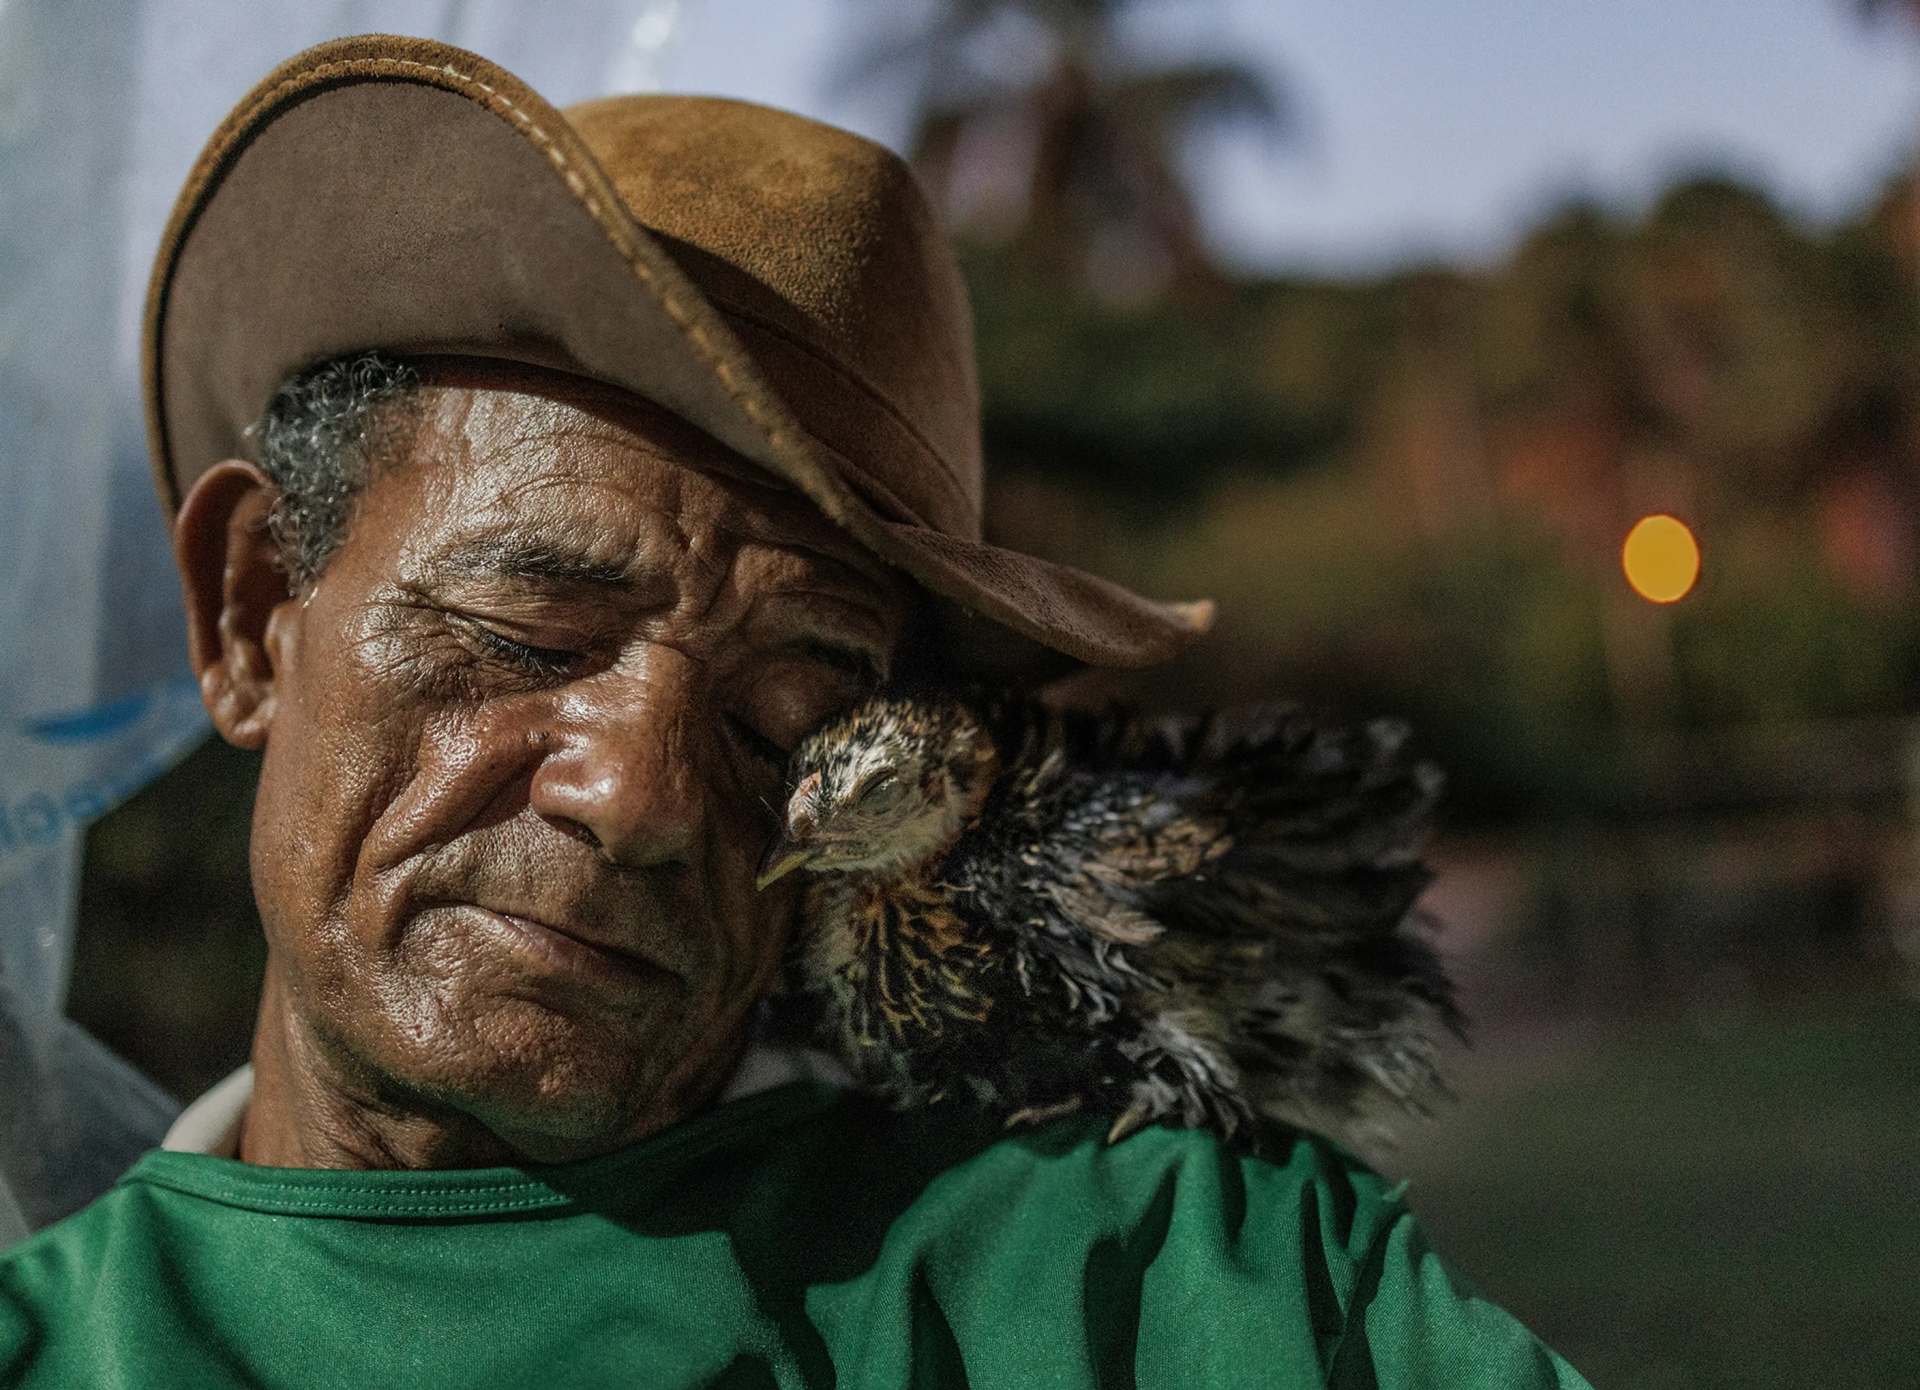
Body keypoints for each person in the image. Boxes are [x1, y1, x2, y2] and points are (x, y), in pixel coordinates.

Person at [0, 35, 1590, 1389]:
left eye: (788, 718)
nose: (644, 791)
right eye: (528, 625)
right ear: (251, 609)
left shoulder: (1178, 1289)